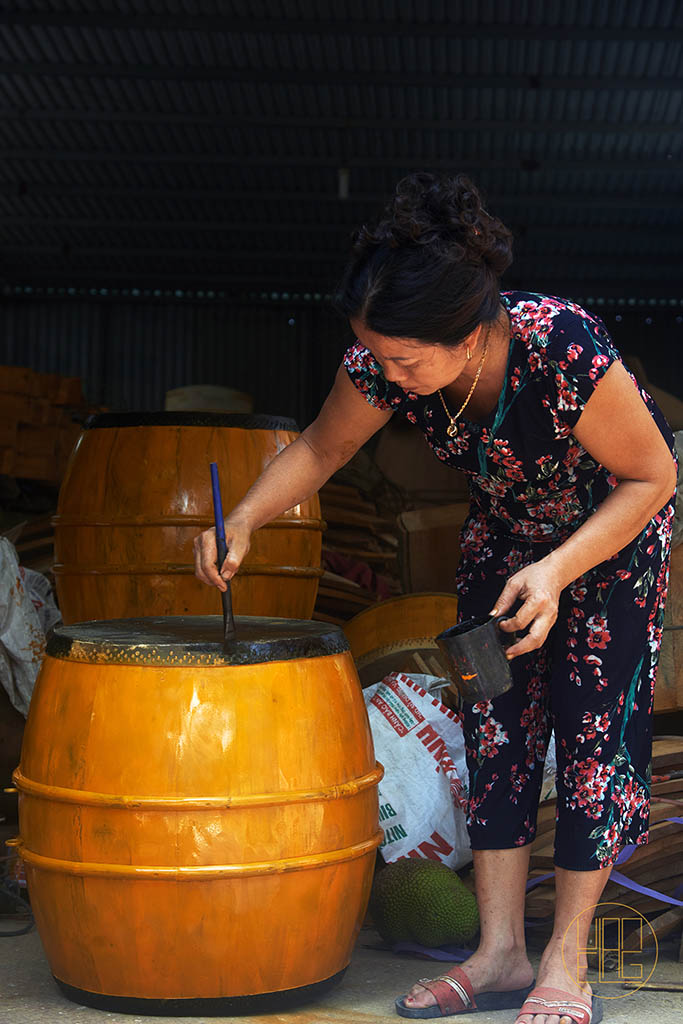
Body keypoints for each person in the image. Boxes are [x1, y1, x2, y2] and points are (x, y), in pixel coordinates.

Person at [194, 173, 677, 1024]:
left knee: (595, 734)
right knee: (494, 727)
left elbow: (652, 475)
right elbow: (318, 447)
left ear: (469, 335)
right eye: (376, 357)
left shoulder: (560, 347)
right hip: (500, 543)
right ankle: (495, 955)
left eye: (405, 362)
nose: (388, 376)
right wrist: (244, 520)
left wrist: (559, 569)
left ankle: (565, 963)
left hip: (607, 545)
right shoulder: (386, 361)